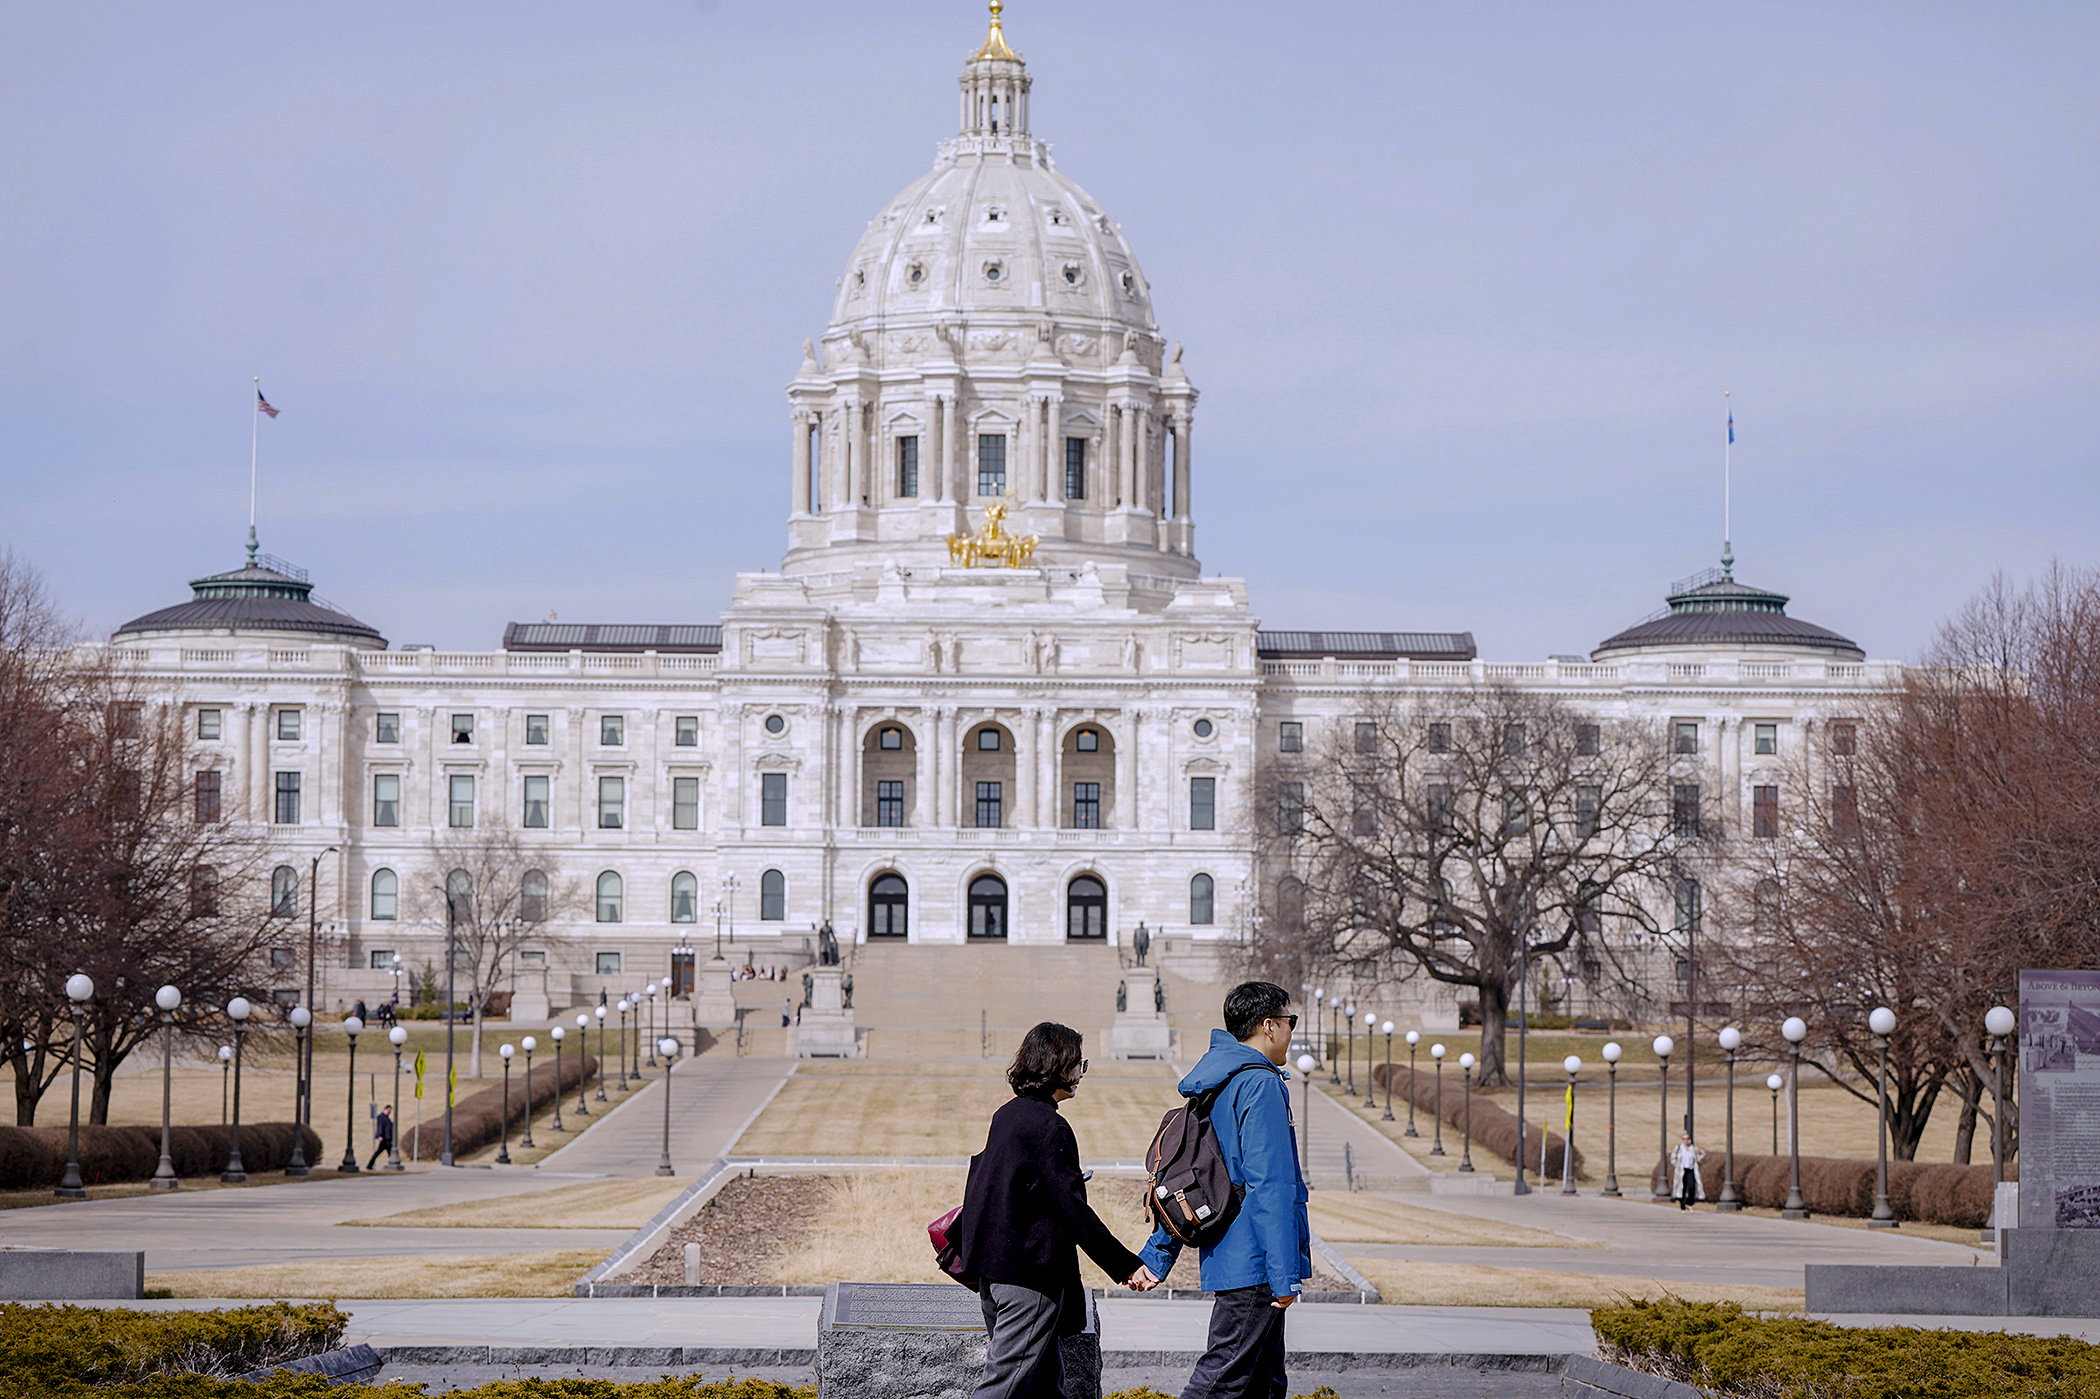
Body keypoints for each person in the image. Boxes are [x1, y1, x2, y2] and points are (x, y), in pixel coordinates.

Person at [955, 1022, 1152, 1399]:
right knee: (1002, 1388)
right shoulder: (1051, 1127)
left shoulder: (1008, 1115)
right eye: (1077, 1064)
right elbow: (1073, 1212)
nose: (1080, 1074)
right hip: (1028, 1281)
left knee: (1045, 1389)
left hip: (994, 1274)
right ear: (1056, 1067)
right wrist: (1126, 1265)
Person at [1138, 981, 1310, 1399]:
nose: (1291, 1031)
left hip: (1234, 1258)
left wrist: (1156, 1256)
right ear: (1269, 1026)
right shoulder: (1261, 1084)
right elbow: (1271, 1185)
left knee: (1264, 1385)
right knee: (1221, 1383)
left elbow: (1189, 1171)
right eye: (1290, 1021)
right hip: (1256, 1263)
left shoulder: (1216, 1081)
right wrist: (1284, 1276)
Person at [1671, 1130, 1706, 1210]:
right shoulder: (1679, 1148)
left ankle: (1689, 1203)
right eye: (1684, 1139)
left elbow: (1698, 1159)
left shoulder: (1693, 1148)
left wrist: (1703, 1154)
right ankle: (1682, 1205)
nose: (1686, 1140)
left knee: (1691, 1187)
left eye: (1688, 1138)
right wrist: (1677, 1166)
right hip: (1682, 1171)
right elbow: (1673, 1159)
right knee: (1682, 1187)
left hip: (1691, 1169)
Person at [366, 1103, 395, 1170]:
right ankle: (370, 1165)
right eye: (388, 1110)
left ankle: (392, 1163)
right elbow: (380, 1127)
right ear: (385, 1109)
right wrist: (379, 1136)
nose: (389, 1112)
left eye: (390, 1111)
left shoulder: (387, 1118)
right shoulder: (381, 1117)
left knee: (389, 1152)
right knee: (379, 1152)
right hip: (384, 1138)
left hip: (388, 1138)